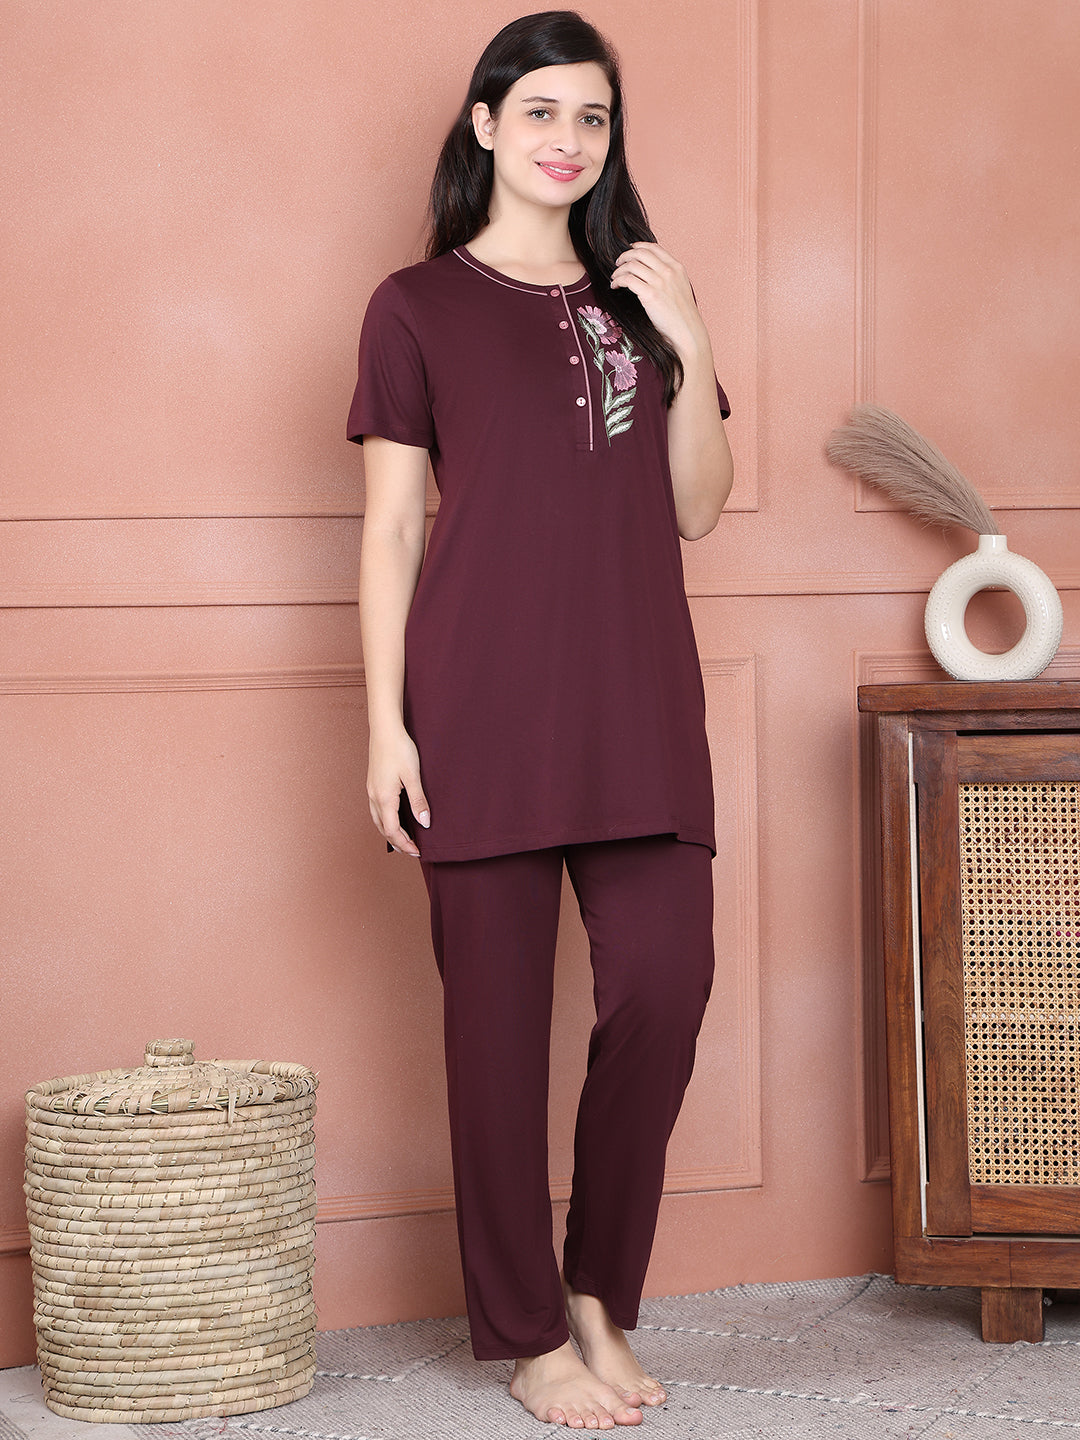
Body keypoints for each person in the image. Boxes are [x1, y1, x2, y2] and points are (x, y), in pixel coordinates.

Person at [349, 11, 733, 1430]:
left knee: (665, 987)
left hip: (640, 708)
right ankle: (526, 1335)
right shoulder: (413, 306)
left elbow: (697, 506)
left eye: (594, 118)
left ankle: (596, 1297)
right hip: (482, 709)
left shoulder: (643, 296)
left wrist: (688, 335)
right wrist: (386, 728)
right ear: (486, 125)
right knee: (494, 1041)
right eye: (544, 113)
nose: (570, 141)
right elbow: (393, 530)